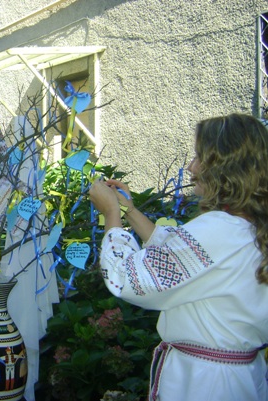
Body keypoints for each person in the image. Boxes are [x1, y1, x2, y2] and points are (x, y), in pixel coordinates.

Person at [88, 113, 268, 401]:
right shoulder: (246, 226)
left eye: (199, 157)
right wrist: (130, 211)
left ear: (224, 167)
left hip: (204, 384)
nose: (191, 167)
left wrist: (111, 214)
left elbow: (126, 278)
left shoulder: (219, 229)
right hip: (238, 375)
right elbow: (181, 253)